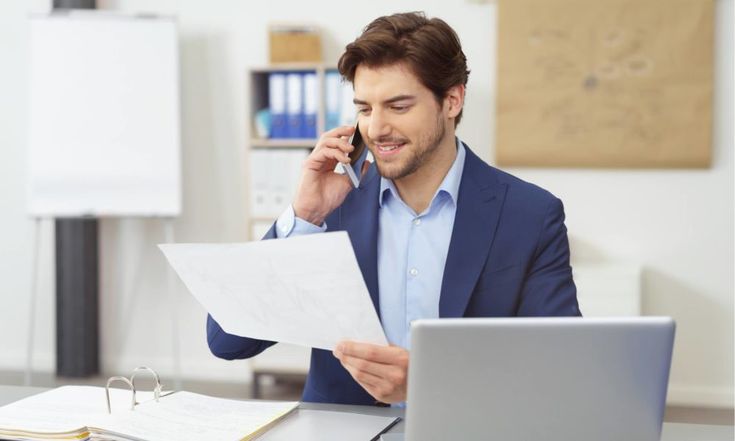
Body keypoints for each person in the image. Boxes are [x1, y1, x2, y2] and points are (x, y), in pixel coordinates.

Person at [207, 11, 580, 406]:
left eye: (398, 107)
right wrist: (304, 216)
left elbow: (560, 367)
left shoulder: (529, 214)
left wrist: (430, 383)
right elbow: (227, 342)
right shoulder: (333, 206)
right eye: (365, 109)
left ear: (451, 100)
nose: (376, 128)